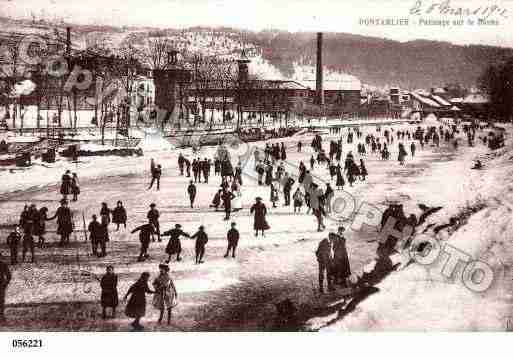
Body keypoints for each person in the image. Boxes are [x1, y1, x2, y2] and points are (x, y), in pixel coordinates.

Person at [0, 252, 11, 322]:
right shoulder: (3, 264)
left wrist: (5, 284)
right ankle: (1, 316)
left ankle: (1, 316)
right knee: (1, 301)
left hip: (1, 285)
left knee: (1, 301)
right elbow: (9, 276)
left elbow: (9, 276)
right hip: (1, 285)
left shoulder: (3, 264)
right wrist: (5, 284)